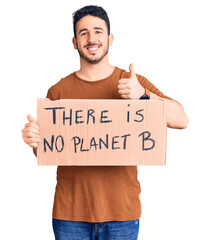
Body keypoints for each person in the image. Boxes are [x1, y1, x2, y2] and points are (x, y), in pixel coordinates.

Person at [21, 5, 188, 240]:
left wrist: (144, 95)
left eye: (98, 31)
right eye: (83, 33)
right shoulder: (58, 91)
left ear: (110, 38)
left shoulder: (133, 82)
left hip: (122, 214)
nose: (92, 39)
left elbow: (181, 119)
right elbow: (49, 151)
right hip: (70, 216)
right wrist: (34, 142)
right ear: (74, 41)